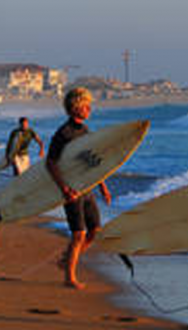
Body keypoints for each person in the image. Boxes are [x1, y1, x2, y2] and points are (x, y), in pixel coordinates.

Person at [46, 87, 112, 289]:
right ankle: (69, 278)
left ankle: (66, 260)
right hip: (72, 190)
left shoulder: (85, 131)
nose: (89, 108)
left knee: (94, 231)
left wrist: (103, 186)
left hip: (87, 188)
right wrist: (64, 188)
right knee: (78, 234)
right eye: (85, 105)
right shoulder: (63, 134)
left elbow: (92, 162)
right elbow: (50, 162)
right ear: (76, 107)